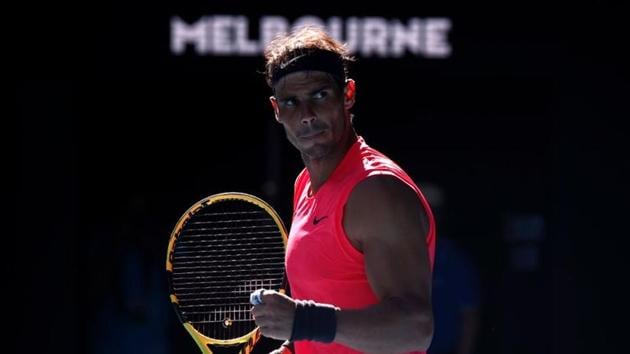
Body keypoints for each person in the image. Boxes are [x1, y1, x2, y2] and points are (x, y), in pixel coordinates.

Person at [250, 26, 437, 354]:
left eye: (319, 95)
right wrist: (292, 347)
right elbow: (325, 318)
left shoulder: (376, 191)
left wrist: (302, 322)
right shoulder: (305, 185)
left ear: (348, 94)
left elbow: (415, 328)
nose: (306, 115)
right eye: (291, 102)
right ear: (277, 111)